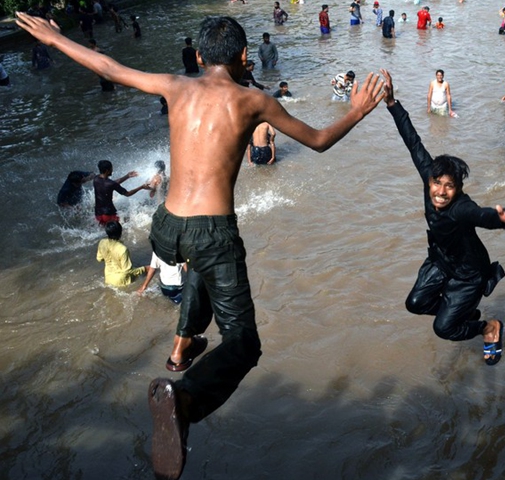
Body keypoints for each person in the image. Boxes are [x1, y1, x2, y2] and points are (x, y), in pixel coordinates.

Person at [15, 13, 386, 480]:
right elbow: (318, 140)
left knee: (201, 271)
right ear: (244, 56)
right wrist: (357, 109)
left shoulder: (176, 85)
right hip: (211, 229)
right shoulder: (254, 100)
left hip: (166, 226)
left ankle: (183, 346)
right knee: (244, 344)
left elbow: (108, 67)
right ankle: (184, 398)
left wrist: (55, 36)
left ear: (196, 56)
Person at [380, 69, 505, 367]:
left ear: (457, 189)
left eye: (449, 187)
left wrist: (503, 219)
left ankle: (487, 327)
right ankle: (463, 312)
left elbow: (482, 215)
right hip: (440, 260)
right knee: (415, 304)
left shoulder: (461, 207)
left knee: (443, 328)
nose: (440, 192)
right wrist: (391, 103)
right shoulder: (430, 177)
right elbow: (413, 142)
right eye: (437, 184)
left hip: (468, 272)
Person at [93, 160, 150, 225]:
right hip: (109, 214)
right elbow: (127, 194)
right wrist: (141, 187)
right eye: (111, 169)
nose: (112, 170)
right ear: (107, 171)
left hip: (98, 214)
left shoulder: (96, 179)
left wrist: (127, 176)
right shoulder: (111, 184)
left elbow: (112, 184)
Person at [97, 221, 147, 287]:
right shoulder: (123, 249)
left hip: (108, 278)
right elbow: (127, 271)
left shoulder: (102, 242)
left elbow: (99, 259)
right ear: (120, 233)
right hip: (121, 281)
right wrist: (144, 269)